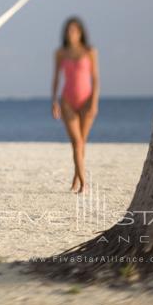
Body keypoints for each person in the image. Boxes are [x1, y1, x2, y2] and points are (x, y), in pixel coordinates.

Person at [51, 16, 99, 194]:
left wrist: (94, 102)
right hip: (67, 101)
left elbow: (95, 78)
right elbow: (56, 78)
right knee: (77, 143)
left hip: (87, 101)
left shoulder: (90, 51)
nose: (71, 33)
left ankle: (75, 179)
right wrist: (54, 101)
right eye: (68, 30)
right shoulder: (60, 53)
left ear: (80, 33)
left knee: (81, 143)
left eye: (74, 30)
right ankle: (84, 184)